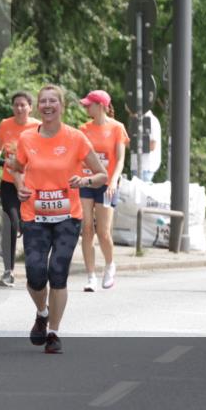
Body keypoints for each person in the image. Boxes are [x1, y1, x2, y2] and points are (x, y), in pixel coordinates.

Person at [15, 84, 107, 354]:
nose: (47, 105)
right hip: (34, 215)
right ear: (38, 106)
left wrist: (85, 180)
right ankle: (42, 313)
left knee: (57, 272)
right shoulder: (26, 139)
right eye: (43, 101)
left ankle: (53, 332)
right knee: (34, 273)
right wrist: (20, 185)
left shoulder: (76, 138)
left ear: (61, 106)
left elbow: (101, 174)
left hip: (68, 216)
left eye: (52, 101)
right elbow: (17, 168)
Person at [77, 90, 129, 292]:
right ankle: (90, 276)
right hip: (87, 182)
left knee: (103, 231)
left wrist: (114, 180)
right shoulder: (83, 129)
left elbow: (121, 159)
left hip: (108, 184)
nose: (85, 107)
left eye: (89, 104)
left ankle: (109, 266)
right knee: (87, 229)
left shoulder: (117, 128)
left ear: (100, 106)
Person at [0, 92, 42, 287]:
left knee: (31, 227)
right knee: (10, 224)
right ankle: (8, 271)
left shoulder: (37, 126)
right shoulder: (5, 124)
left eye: (23, 105)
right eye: (16, 105)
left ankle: (34, 269)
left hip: (31, 184)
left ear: (30, 107)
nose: (19, 109)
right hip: (9, 183)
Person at [130, 109, 161, 182]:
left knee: (141, 192)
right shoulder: (138, 120)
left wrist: (131, 145)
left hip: (145, 167)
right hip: (139, 166)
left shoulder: (151, 120)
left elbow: (152, 145)